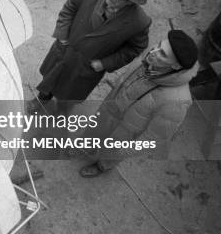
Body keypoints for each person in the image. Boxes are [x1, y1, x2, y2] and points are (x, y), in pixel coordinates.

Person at [26, 0, 152, 114]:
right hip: (65, 49)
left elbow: (135, 48)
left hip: (87, 66)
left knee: (70, 93)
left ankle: (62, 112)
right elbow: (71, 5)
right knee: (50, 78)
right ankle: (42, 99)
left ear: (131, 3)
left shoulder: (139, 22)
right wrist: (62, 34)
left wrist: (105, 63)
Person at [79, 29, 199, 177]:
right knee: (95, 129)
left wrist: (125, 151)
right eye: (160, 46)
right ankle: (85, 147)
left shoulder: (178, 102)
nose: (154, 51)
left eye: (163, 54)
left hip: (126, 132)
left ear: (175, 66)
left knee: (111, 151)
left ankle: (102, 166)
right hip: (111, 108)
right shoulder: (152, 57)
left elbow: (155, 137)